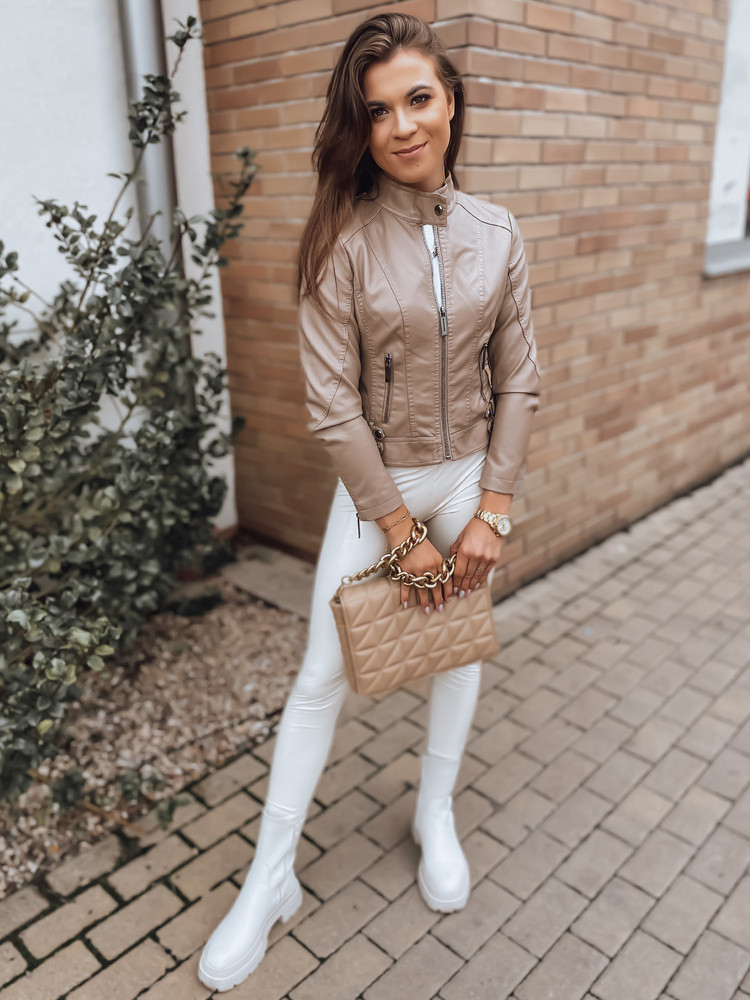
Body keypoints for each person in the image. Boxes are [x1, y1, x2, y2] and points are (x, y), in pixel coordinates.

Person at [198, 11, 541, 993]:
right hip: (377, 486)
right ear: (361, 126)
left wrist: (493, 508)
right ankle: (270, 879)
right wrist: (400, 531)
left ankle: (435, 812)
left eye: (418, 99)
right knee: (321, 675)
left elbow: (520, 378)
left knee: (460, 648)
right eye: (378, 111)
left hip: (468, 474)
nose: (401, 126)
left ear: (451, 102)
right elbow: (332, 406)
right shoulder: (338, 240)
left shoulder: (498, 233)